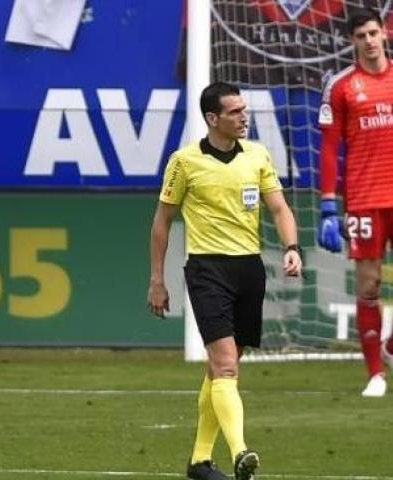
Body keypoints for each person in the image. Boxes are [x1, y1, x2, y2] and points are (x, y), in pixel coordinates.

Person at [148, 82, 302, 480]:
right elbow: (163, 222)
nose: (243, 117)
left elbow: (280, 207)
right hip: (207, 270)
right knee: (227, 366)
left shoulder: (257, 156)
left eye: (244, 110)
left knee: (221, 371)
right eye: (234, 112)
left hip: (249, 270)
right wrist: (157, 280)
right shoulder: (184, 162)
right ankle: (241, 453)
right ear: (213, 119)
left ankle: (200, 461)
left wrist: (292, 246)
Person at [317, 7, 393, 398]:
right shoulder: (341, 86)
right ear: (352, 41)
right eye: (361, 35)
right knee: (369, 285)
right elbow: (329, 148)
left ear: (384, 33)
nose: (369, 41)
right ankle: (376, 374)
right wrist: (328, 205)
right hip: (364, 198)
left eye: (373, 33)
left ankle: (390, 347)